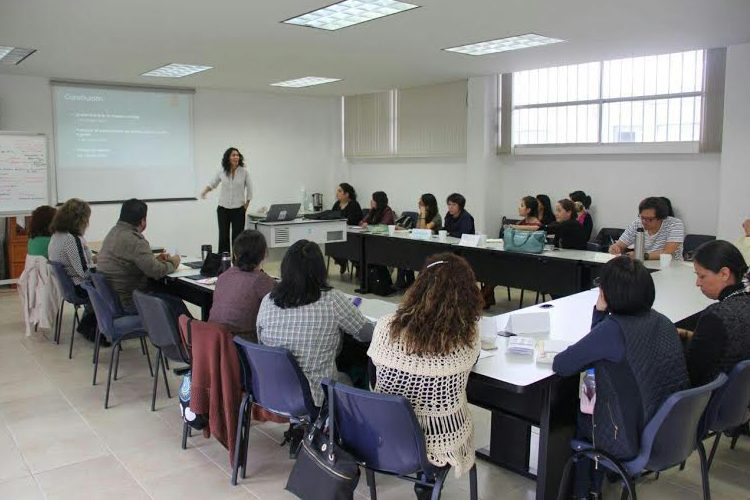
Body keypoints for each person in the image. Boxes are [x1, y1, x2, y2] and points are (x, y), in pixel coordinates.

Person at [553, 256, 689, 499]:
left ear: (607, 292)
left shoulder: (613, 330)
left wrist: (598, 312)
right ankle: (597, 482)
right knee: (591, 386)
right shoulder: (663, 321)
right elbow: (596, 356)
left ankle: (584, 491)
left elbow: (563, 365)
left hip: (626, 437)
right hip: (666, 428)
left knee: (580, 403)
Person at [369, 253, 482, 494]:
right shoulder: (467, 336)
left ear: (419, 286)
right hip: (443, 434)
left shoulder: (385, 325)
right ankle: (426, 483)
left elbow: (373, 375)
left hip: (386, 430)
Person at [257, 239, 374, 406]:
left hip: (269, 390)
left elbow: (261, 341)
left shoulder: (268, 299)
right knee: (352, 374)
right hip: (315, 395)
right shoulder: (332, 299)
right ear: (320, 270)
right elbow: (366, 334)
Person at [679, 240, 750, 387]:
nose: (697, 283)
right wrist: (689, 335)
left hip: (709, 396)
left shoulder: (716, 316)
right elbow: (728, 341)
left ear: (724, 273)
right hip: (737, 396)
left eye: (702, 276)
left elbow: (692, 372)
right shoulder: (744, 303)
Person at [96, 199, 181, 313]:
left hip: (112, 301)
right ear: (143, 221)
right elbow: (156, 271)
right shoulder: (135, 240)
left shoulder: (113, 233)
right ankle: (192, 329)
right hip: (129, 303)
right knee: (175, 304)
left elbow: (129, 263)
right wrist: (173, 262)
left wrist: (154, 260)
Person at [209, 230, 276, 342]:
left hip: (213, 342)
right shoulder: (261, 280)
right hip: (242, 346)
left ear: (235, 254)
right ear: (264, 254)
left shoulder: (223, 276)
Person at [48, 198, 97, 339]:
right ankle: (95, 328)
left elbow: (77, 262)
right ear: (80, 219)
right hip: (79, 288)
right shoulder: (71, 239)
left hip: (67, 288)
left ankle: (89, 324)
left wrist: (94, 260)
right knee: (112, 285)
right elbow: (83, 272)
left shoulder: (57, 235)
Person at [483, 196, 541, 308]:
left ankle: (481, 300)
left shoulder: (536, 224)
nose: (519, 208)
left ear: (528, 210)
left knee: (496, 272)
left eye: (522, 205)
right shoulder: (521, 222)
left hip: (527, 263)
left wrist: (515, 227)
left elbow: (535, 228)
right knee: (491, 269)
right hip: (514, 259)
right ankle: (485, 299)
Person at [201, 147, 253, 254]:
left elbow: (250, 189)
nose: (236, 157)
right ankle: (223, 263)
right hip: (223, 209)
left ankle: (237, 263)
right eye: (233, 155)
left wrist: (246, 204)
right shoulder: (222, 171)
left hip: (238, 209)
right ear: (228, 157)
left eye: (237, 155)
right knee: (223, 236)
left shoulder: (244, 172)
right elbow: (213, 183)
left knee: (237, 237)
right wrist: (205, 192)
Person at [609, 197, 685, 261]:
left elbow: (667, 253)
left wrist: (641, 256)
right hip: (644, 267)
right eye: (642, 217)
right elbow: (619, 245)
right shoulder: (637, 224)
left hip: (671, 267)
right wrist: (614, 248)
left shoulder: (674, 224)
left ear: (661, 218)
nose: (644, 222)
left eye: (650, 219)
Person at [395, 194, 442, 290]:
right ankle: (405, 282)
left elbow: (423, 230)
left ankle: (412, 284)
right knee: (403, 254)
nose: (418, 204)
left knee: (411, 256)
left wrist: (423, 214)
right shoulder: (421, 215)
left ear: (427, 206)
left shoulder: (437, 217)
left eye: (421, 203)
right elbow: (417, 230)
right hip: (420, 245)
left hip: (431, 249)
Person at [515, 199, 586, 250]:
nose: (556, 214)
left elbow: (543, 228)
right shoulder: (560, 223)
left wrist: (516, 227)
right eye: (556, 211)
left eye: (559, 211)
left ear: (569, 212)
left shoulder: (571, 224)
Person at [332, 182, 363, 274]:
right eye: (337, 191)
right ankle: (342, 262)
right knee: (330, 244)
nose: (337, 193)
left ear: (347, 194)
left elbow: (355, 220)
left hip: (352, 234)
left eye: (339, 191)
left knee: (350, 247)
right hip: (338, 232)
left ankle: (357, 265)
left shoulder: (354, 204)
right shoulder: (337, 204)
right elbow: (332, 215)